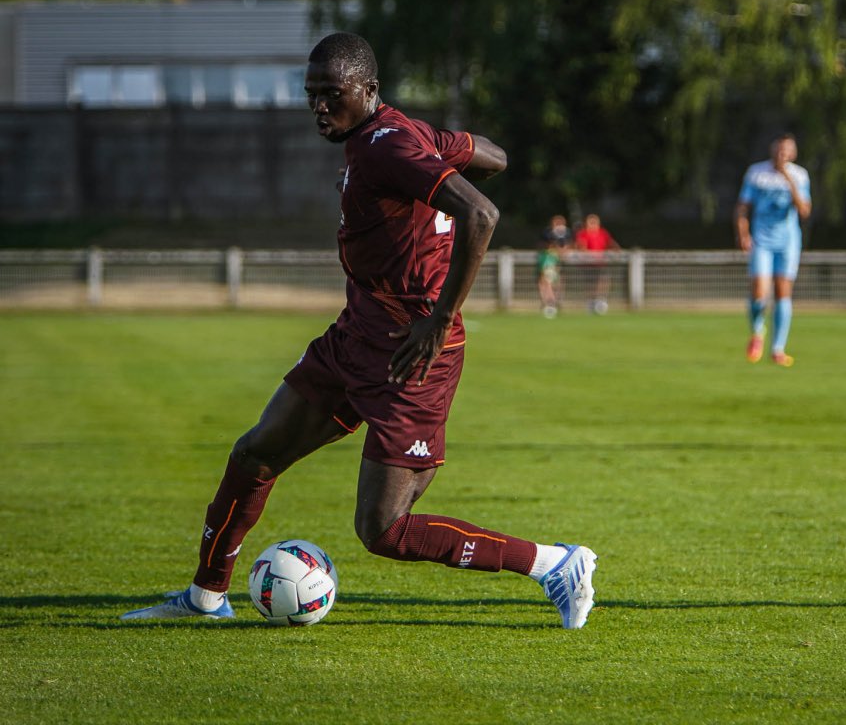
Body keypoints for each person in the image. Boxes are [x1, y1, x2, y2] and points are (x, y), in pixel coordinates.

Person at [121, 32, 597, 629]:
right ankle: (204, 596)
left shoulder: (385, 147)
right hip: (355, 337)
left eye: (332, 94)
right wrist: (433, 148)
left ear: (369, 90)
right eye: (311, 94)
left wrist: (439, 316)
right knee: (256, 452)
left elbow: (482, 212)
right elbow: (495, 157)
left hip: (412, 356)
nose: (319, 106)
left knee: (383, 529)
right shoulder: (387, 137)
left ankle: (555, 564)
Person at [734, 133, 812, 367]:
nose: (782, 154)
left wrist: (788, 179)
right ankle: (757, 331)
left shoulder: (799, 175)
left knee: (782, 292)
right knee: (759, 292)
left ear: (793, 153)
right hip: (762, 240)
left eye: (787, 150)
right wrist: (743, 233)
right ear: (772, 150)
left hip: (787, 242)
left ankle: (778, 349)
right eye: (779, 149)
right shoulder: (756, 173)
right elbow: (742, 207)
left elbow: (804, 211)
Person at [574, 213, 619, 314]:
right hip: (589, 264)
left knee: (603, 281)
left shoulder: (603, 233)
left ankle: (601, 300)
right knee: (590, 284)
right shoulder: (583, 233)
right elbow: (581, 246)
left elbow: (610, 243)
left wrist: (615, 250)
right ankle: (591, 302)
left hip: (601, 263)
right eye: (591, 222)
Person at [536, 214, 572, 318]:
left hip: (556, 261)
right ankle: (550, 302)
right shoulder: (548, 233)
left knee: (554, 282)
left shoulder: (566, 233)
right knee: (546, 281)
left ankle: (552, 302)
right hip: (549, 260)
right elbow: (546, 245)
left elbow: (567, 246)